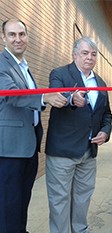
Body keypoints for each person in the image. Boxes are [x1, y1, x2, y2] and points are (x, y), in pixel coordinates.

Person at [0, 19, 67, 233]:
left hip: (28, 145)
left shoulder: (23, 66)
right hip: (10, 149)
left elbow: (30, 100)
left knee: (22, 198)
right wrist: (44, 98)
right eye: (12, 35)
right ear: (4, 38)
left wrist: (46, 100)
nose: (18, 39)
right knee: (8, 203)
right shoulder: (2, 65)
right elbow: (13, 96)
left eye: (22, 34)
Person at [45, 36, 112, 233]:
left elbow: (106, 114)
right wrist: (71, 98)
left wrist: (105, 132)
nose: (89, 58)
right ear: (74, 54)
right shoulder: (60, 74)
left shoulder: (100, 82)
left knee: (83, 198)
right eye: (84, 53)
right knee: (60, 201)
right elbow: (56, 94)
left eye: (93, 54)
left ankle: (81, 230)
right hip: (62, 153)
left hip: (88, 152)